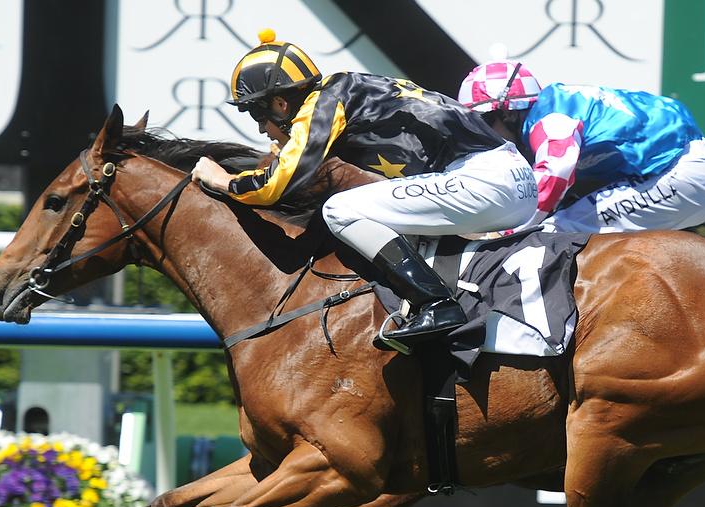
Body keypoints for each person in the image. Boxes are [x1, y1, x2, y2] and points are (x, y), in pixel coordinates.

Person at [191, 31, 538, 348]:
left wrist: (223, 180)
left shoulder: (323, 103)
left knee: (339, 210)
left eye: (257, 116)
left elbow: (275, 186)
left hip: (486, 182)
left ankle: (435, 303)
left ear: (280, 104)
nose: (261, 130)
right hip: (510, 182)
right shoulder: (349, 90)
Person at [457, 61, 705, 234]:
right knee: (563, 218)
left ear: (508, 112)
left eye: (483, 122)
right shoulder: (552, 105)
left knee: (552, 231)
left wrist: (503, 234)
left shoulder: (549, 119)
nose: (483, 134)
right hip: (682, 168)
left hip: (681, 171)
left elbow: (555, 175)